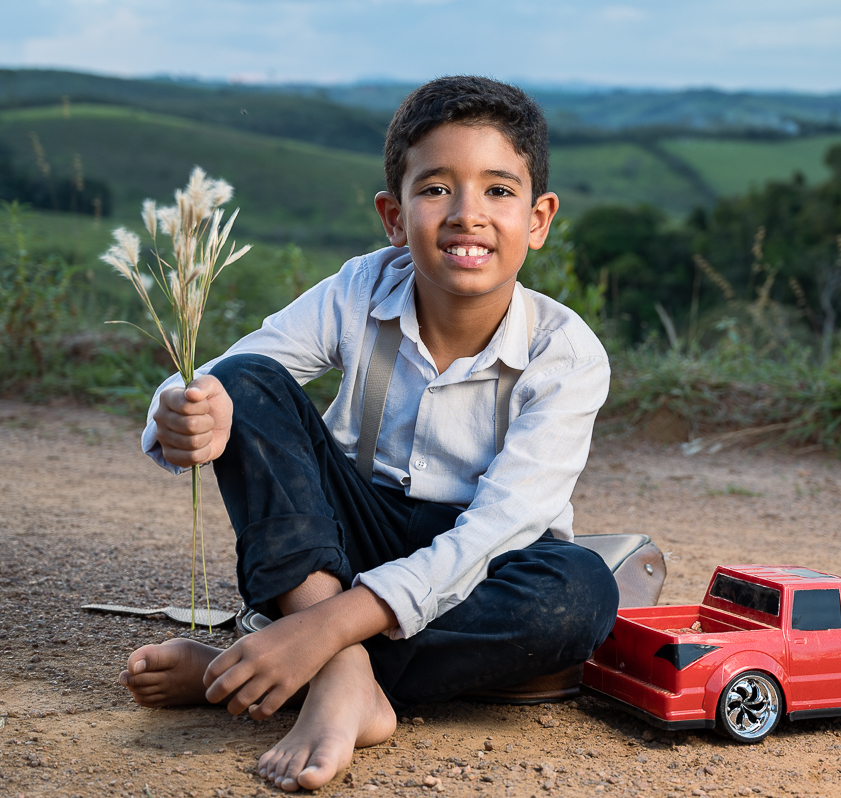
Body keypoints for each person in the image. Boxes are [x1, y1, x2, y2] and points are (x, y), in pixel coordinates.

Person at [118, 75, 618, 793]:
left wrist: (324, 623)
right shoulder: (360, 289)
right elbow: (226, 374)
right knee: (250, 380)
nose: (467, 214)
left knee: (578, 593)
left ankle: (277, 661)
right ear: (393, 214)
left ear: (538, 220)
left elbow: (498, 530)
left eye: (499, 192)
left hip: (480, 561)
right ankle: (344, 678)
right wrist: (182, 407)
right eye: (436, 188)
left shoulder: (566, 354)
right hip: (344, 541)